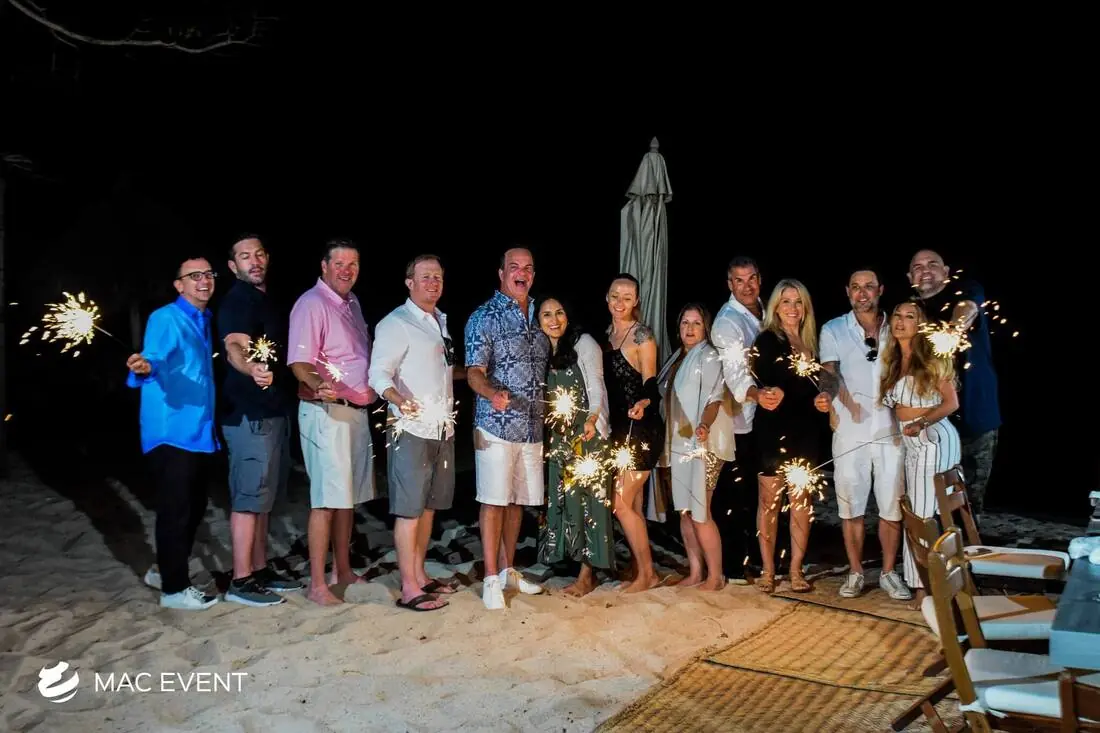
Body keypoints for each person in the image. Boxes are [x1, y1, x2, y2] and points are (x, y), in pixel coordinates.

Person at [126, 255, 221, 610]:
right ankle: (175, 590)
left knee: (194, 507)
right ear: (179, 285)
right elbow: (155, 356)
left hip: (197, 431)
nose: (204, 280)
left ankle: (163, 571)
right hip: (171, 431)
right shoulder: (166, 317)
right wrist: (145, 366)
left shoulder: (203, 319)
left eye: (208, 274)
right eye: (194, 276)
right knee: (176, 510)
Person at [288, 238, 376, 606]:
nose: (346, 270)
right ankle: (317, 584)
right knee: (325, 499)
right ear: (323, 266)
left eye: (353, 264)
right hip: (325, 412)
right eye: (339, 263)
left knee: (347, 498)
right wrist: (315, 382)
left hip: (355, 411)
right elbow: (299, 361)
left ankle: (343, 569)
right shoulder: (311, 303)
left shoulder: (352, 303)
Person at [217, 234, 303, 607]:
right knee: (249, 497)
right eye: (244, 256)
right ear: (232, 266)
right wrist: (250, 367)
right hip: (248, 414)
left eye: (259, 254)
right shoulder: (237, 301)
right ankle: (241, 580)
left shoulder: (267, 299)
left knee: (265, 497)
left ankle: (259, 568)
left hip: (274, 412)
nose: (254, 261)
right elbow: (234, 345)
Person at [369, 254, 457, 612]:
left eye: (438, 277)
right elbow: (378, 373)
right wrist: (398, 400)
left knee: (429, 506)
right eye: (425, 277)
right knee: (408, 510)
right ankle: (408, 588)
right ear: (409, 282)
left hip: (442, 427)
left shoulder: (440, 320)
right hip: (410, 429)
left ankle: (420, 574)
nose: (433, 283)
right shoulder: (396, 323)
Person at [464, 247, 550, 610]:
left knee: (517, 502)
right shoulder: (484, 316)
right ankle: (489, 578)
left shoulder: (542, 316)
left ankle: (506, 571)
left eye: (528, 268)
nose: (521, 273)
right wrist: (491, 393)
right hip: (495, 426)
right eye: (514, 267)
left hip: (532, 428)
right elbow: (473, 372)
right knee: (494, 501)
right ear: (501, 273)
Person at [818, 268, 910, 601]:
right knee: (850, 506)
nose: (862, 293)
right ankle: (856, 572)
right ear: (847, 291)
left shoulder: (896, 326)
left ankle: (888, 572)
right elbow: (829, 373)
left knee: (892, 507)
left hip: (891, 431)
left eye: (868, 287)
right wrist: (831, 397)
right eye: (856, 287)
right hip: (849, 431)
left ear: (880, 290)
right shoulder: (833, 329)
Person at [750, 279, 830, 594]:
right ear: (776, 307)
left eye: (798, 302)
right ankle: (768, 569)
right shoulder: (767, 340)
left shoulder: (812, 343)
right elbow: (761, 380)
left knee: (801, 502)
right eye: (786, 302)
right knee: (769, 502)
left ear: (805, 307)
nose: (792, 308)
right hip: (773, 431)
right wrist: (770, 391)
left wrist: (821, 400)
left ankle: (796, 569)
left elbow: (816, 387)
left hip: (806, 432)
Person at [908, 249, 999, 523]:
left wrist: (952, 332)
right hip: (931, 424)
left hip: (974, 420)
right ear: (910, 277)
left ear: (946, 272)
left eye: (932, 264)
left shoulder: (966, 290)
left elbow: (967, 309)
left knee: (967, 508)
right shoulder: (910, 312)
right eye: (918, 267)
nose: (925, 270)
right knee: (930, 504)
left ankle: (967, 549)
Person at [535, 295, 616, 596]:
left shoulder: (585, 343)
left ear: (568, 316)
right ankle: (568, 561)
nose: (554, 320)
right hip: (560, 438)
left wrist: (592, 420)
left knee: (589, 504)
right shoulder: (544, 349)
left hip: (587, 435)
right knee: (565, 501)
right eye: (546, 315)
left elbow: (597, 387)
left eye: (559, 313)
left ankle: (588, 573)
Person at [880, 300, 961, 599]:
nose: (901, 321)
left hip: (932, 437)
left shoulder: (930, 358)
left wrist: (922, 423)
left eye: (909, 316)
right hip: (912, 440)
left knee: (922, 514)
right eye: (897, 315)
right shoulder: (893, 361)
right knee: (918, 509)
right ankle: (932, 581)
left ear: (920, 324)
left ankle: (923, 588)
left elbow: (951, 403)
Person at [656, 303, 735, 590]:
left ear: (706, 328)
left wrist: (704, 424)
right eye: (685, 323)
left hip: (704, 442)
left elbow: (715, 398)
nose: (689, 329)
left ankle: (715, 576)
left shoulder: (709, 356)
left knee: (701, 511)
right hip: (678, 442)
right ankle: (696, 571)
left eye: (696, 323)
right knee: (685, 511)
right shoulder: (677, 357)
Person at [603, 273, 664, 593]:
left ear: (636, 301)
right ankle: (639, 567)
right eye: (615, 296)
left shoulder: (642, 335)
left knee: (620, 502)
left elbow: (651, 383)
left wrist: (643, 402)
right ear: (607, 297)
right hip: (618, 430)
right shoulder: (607, 334)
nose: (620, 302)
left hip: (641, 428)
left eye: (627, 297)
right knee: (634, 505)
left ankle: (648, 575)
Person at [710, 256, 765, 581]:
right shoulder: (727, 322)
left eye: (752, 278)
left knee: (756, 492)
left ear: (760, 279)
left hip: (761, 418)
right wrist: (759, 394)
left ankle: (757, 556)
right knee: (735, 495)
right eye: (739, 280)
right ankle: (733, 565)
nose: (747, 286)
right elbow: (735, 374)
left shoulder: (765, 310)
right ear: (730, 284)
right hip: (738, 420)